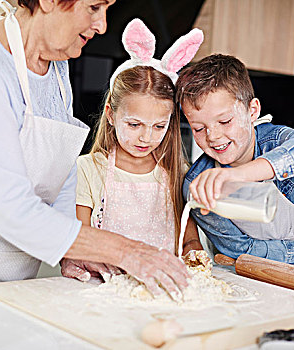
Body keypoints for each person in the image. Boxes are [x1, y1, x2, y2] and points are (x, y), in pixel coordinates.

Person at [0, 2, 191, 349]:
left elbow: (60, 174)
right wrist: (127, 251)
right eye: (94, 7)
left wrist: (73, 251)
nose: (102, 25)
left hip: (15, 276)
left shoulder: (56, 71)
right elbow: (12, 210)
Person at [175, 54, 294, 269]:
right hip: (247, 273)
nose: (212, 136)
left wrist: (238, 175)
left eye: (224, 121)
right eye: (199, 128)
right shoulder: (199, 185)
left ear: (252, 111)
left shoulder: (275, 142)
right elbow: (240, 250)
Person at [61, 18, 205, 282]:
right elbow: (80, 242)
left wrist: (194, 253)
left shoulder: (177, 173)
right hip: (104, 291)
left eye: (159, 126)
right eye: (134, 124)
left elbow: (189, 241)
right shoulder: (89, 169)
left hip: (163, 291)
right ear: (111, 115)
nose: (146, 137)